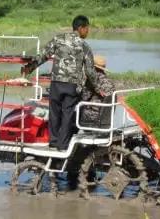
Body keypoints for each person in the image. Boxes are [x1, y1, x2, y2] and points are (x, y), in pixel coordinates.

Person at [22, 15, 104, 151]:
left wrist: (29, 68)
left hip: (56, 83)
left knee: (54, 112)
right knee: (68, 113)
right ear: (81, 28)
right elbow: (90, 71)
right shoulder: (84, 46)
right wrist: (98, 87)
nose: (88, 32)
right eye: (87, 29)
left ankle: (53, 141)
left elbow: (43, 55)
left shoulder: (58, 39)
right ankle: (62, 144)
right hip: (72, 86)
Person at [80, 56, 116, 129]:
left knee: (69, 114)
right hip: (105, 119)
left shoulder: (93, 80)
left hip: (93, 116)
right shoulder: (107, 80)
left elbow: (84, 96)